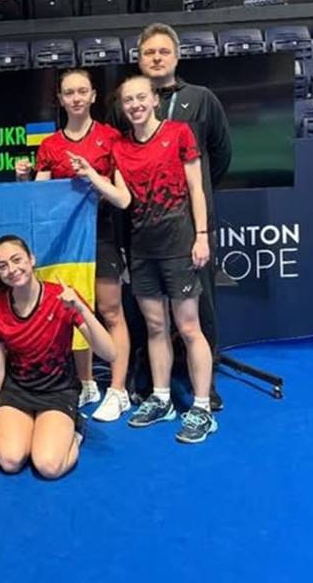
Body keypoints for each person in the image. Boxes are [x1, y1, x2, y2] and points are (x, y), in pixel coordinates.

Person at [15, 70, 133, 422]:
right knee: (75, 309)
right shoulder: (50, 145)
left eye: (83, 91)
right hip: (65, 240)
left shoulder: (111, 138)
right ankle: (86, 383)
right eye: (70, 93)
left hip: (102, 233)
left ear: (93, 96)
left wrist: (92, 177)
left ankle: (118, 390)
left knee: (111, 311)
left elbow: (122, 197)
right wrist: (23, 179)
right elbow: (38, 200)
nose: (77, 98)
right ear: (61, 99)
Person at [112, 76, 218, 444]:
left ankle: (202, 408)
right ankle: (161, 399)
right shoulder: (120, 147)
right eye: (128, 100)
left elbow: (196, 189)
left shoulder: (179, 133)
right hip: (141, 250)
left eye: (141, 97)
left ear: (154, 99)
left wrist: (201, 235)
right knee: (155, 327)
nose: (135, 105)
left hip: (179, 246)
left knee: (189, 328)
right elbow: (122, 199)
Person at [137, 23, 231, 412]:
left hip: (192, 223)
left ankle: (206, 386)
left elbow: (221, 154)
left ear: (176, 56)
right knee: (149, 308)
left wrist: (197, 194)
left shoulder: (201, 98)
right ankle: (149, 380)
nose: (156, 58)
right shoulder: (133, 100)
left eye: (163, 51)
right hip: (146, 224)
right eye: (149, 52)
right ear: (139, 59)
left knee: (201, 306)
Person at [0, 235, 117, 478]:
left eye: (17, 260)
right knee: (10, 461)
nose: (12, 269)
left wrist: (81, 309)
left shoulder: (62, 298)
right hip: (18, 390)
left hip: (58, 392)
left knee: (48, 466)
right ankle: (37, 430)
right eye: (3, 266)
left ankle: (75, 429)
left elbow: (110, 353)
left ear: (31, 259)